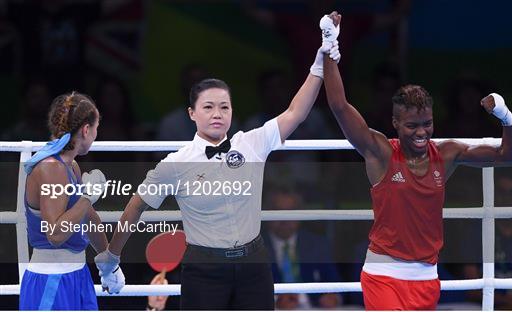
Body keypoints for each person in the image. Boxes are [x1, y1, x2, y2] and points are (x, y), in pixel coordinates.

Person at [94, 15, 342, 310]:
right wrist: (111, 259)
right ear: (191, 114)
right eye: (208, 107)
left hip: (253, 264)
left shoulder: (251, 143)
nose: (217, 113)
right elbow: (136, 205)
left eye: (224, 106)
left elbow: (295, 112)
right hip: (204, 269)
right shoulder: (176, 163)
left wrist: (319, 60)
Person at [321, 12, 512, 310]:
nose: (421, 132)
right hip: (384, 275)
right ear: (395, 123)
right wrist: (329, 47)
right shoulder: (381, 152)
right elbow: (339, 105)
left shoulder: (447, 154)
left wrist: (505, 117)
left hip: (427, 277)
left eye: (426, 124)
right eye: (412, 125)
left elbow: (511, 157)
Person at [19, 91, 124, 310]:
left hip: (77, 276)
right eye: (96, 129)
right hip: (51, 281)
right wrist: (87, 198)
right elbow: (55, 234)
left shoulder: (70, 166)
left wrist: (108, 263)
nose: (96, 135)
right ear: (86, 130)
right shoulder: (51, 168)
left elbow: (90, 219)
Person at [462, 173, 512, 310]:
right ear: (493, 193)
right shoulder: (476, 232)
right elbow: (472, 289)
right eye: (501, 191)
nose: (507, 198)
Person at [262, 188, 341, 310]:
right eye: (278, 211)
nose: (284, 219)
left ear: (300, 214)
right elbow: (247, 289)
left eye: (290, 211)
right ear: (267, 213)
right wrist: (275, 301)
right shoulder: (255, 247)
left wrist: (334, 297)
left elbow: (335, 283)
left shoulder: (317, 244)